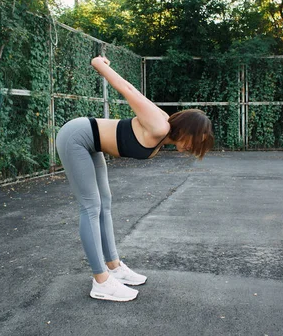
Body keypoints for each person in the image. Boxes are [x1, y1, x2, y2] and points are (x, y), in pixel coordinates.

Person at [56, 56, 214, 302]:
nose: (193, 147)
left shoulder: (165, 131)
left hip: (92, 144)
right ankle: (101, 281)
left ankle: (114, 266)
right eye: (195, 141)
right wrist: (100, 65)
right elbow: (128, 89)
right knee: (90, 207)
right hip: (76, 137)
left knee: (104, 204)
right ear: (187, 130)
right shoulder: (159, 125)